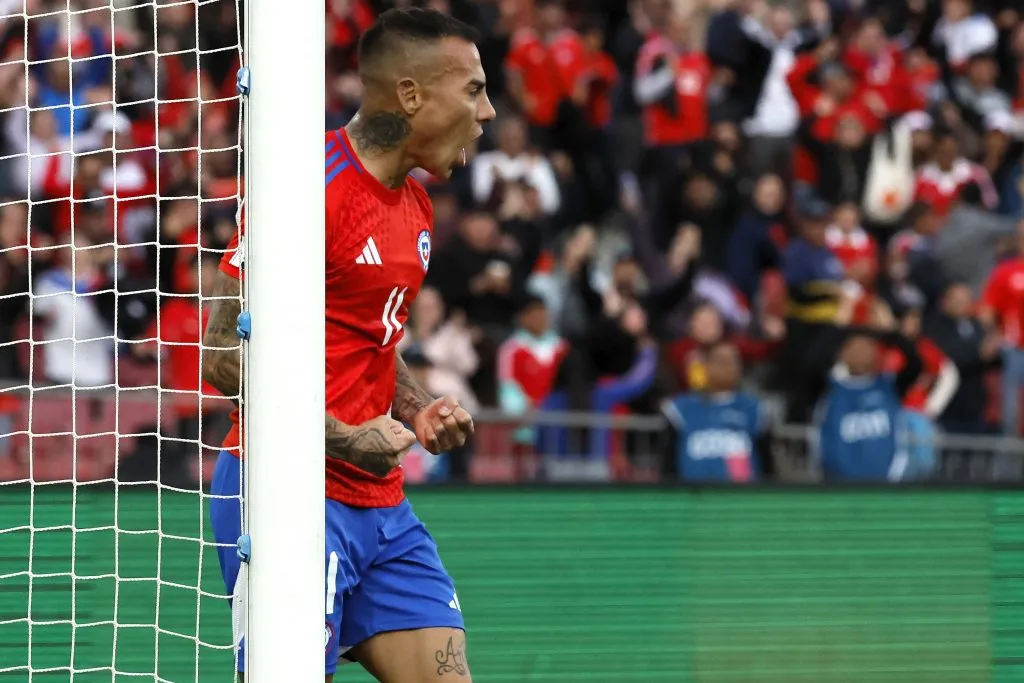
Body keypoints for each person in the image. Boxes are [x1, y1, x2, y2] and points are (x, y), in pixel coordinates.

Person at [201, 8, 495, 682]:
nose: (489, 112)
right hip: (287, 494)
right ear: (412, 94)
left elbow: (374, 339)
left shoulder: (415, 207)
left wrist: (416, 406)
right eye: (474, 89)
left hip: (382, 504)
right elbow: (221, 353)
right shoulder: (304, 187)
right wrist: (340, 437)